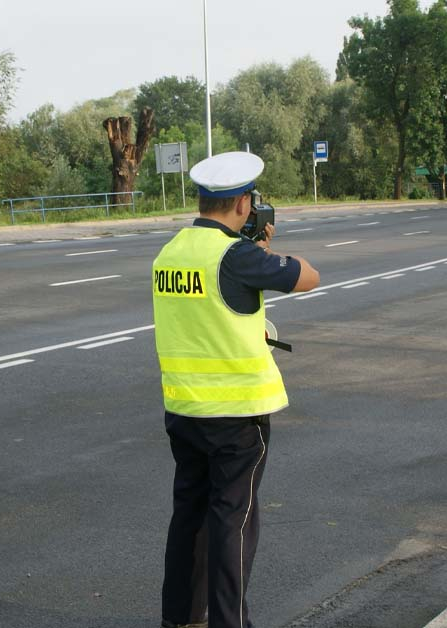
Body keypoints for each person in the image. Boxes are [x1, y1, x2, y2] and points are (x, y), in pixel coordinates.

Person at [153, 151, 320, 628]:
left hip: (184, 409)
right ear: (243, 204)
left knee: (189, 514)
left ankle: (181, 618)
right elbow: (308, 275)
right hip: (237, 415)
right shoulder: (239, 256)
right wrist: (264, 250)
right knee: (233, 520)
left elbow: (208, 315)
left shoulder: (171, 252)